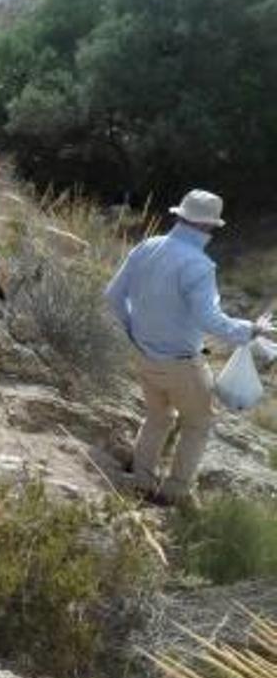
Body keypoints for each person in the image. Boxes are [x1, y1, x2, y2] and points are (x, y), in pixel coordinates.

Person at [104, 189, 272, 506]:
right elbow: (210, 320)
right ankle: (176, 490)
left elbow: (113, 295)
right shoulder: (199, 265)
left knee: (157, 417)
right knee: (199, 422)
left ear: (179, 216)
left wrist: (133, 333)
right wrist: (249, 330)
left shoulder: (146, 247)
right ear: (210, 227)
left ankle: (141, 480)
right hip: (181, 363)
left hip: (143, 354)